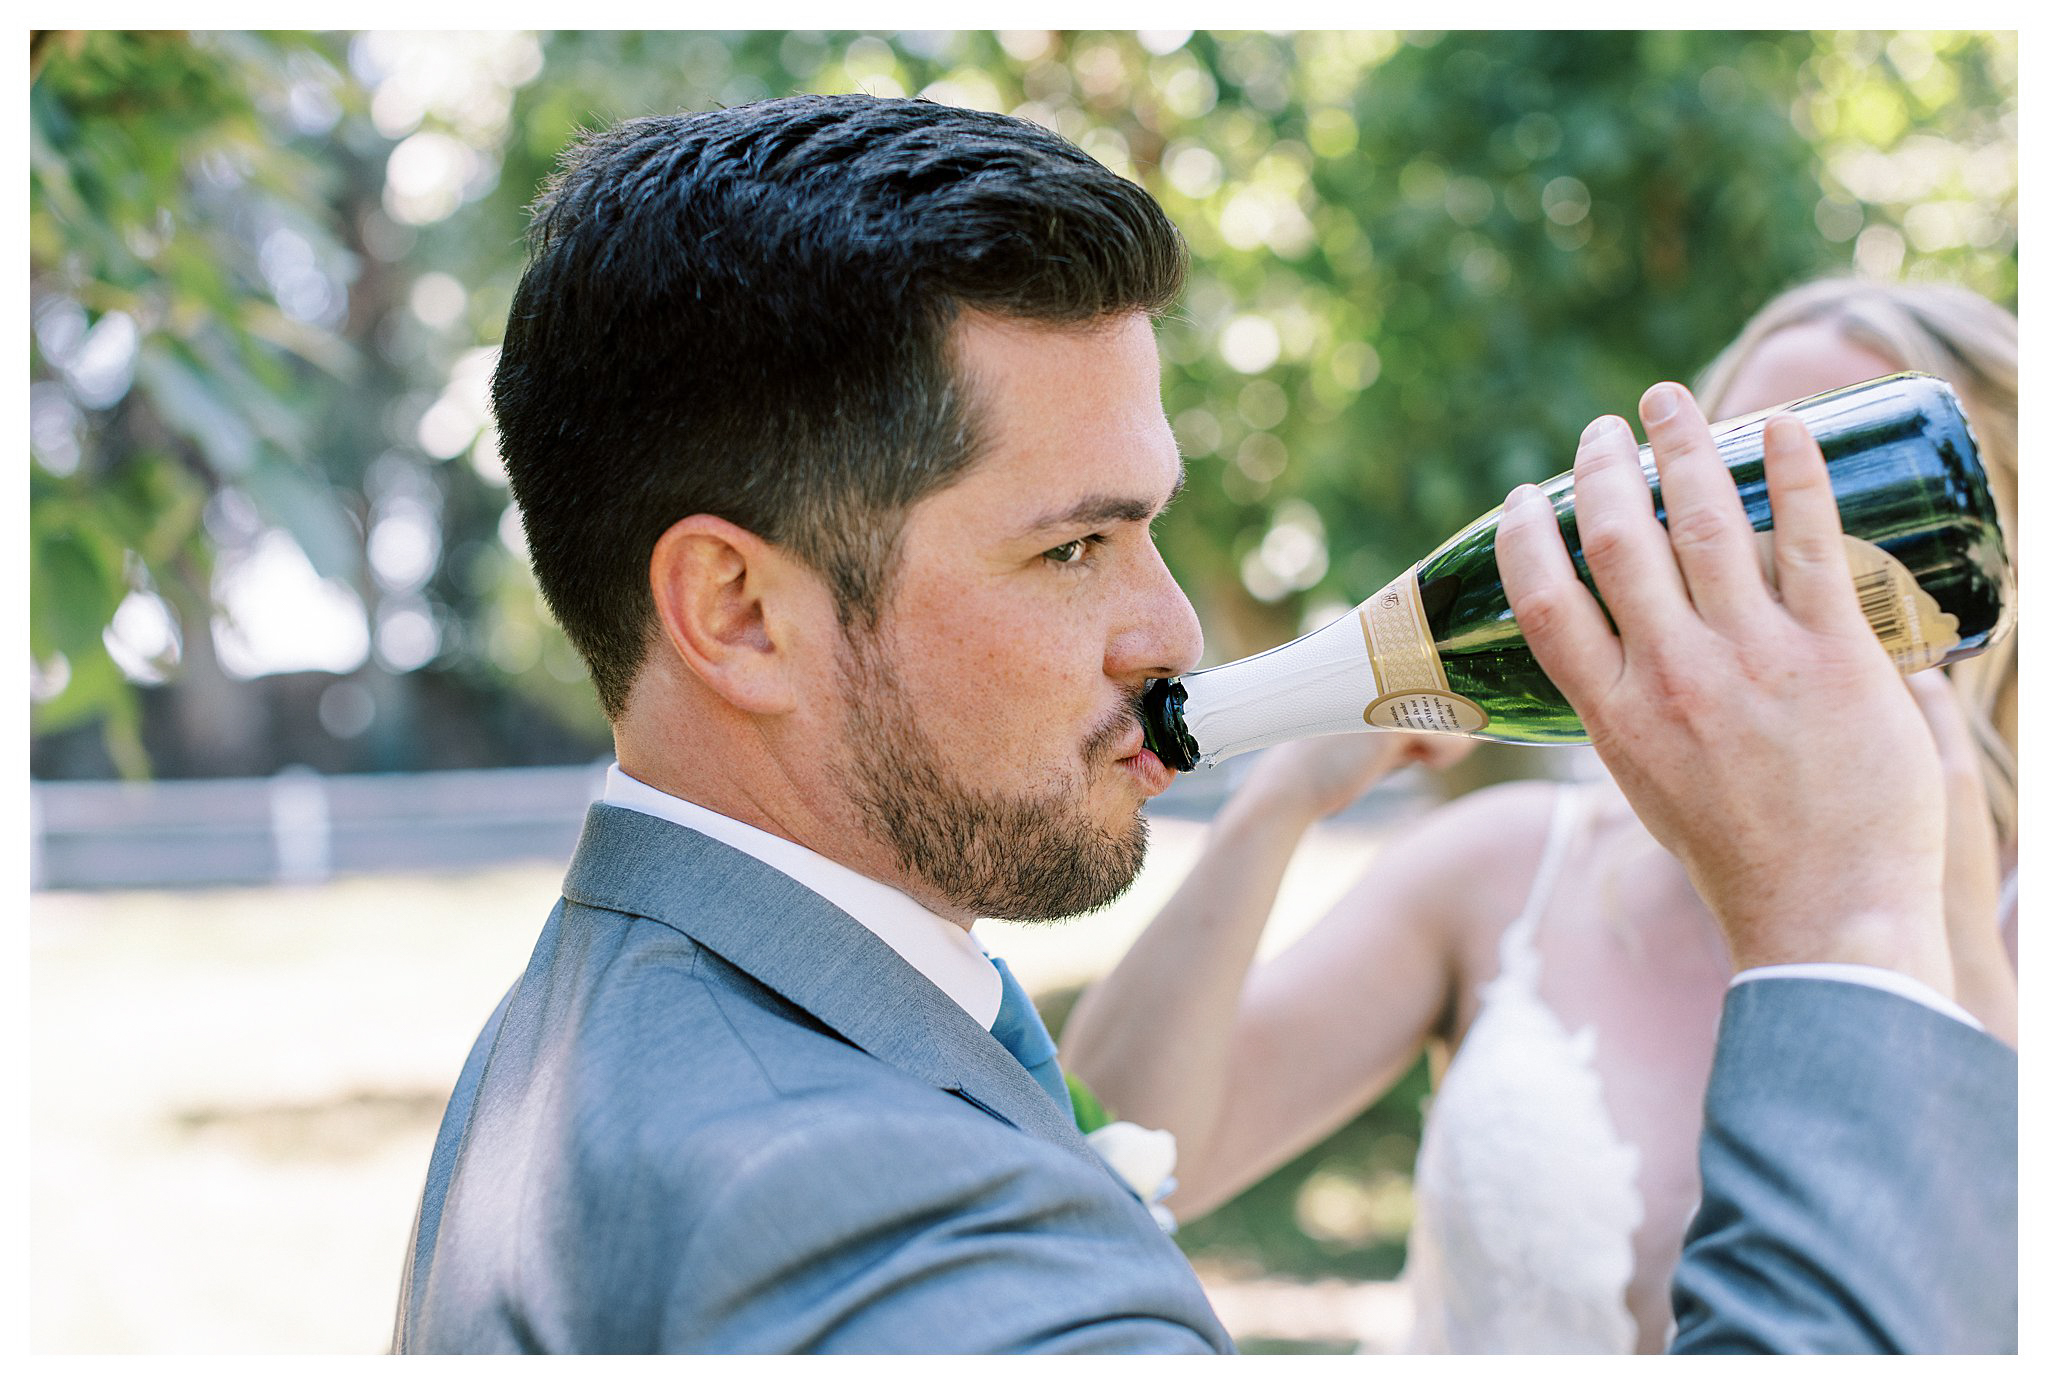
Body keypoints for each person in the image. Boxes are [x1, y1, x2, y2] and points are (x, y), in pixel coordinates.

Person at [394, 95, 2016, 1353]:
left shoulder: (614, 1022)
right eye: (1073, 544)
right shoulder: (883, 1244)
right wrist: (1850, 924)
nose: (1170, 631)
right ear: (738, 614)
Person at [1061, 277, 2019, 1352]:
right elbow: (1117, 1163)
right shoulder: (1510, 868)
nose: (1722, 541)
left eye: (1827, 488)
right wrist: (1279, 803)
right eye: (1724, 469)